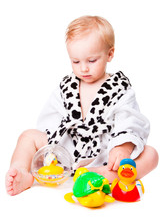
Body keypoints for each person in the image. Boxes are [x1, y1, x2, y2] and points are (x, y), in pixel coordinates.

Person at [5, 16, 158, 196]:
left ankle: (106, 174)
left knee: (151, 154)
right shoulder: (66, 86)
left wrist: (122, 147)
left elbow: (129, 119)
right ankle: (22, 171)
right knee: (28, 135)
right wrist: (52, 150)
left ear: (110, 54)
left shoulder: (120, 88)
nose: (83, 68)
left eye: (91, 61)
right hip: (66, 151)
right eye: (76, 61)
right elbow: (51, 118)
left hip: (104, 154)